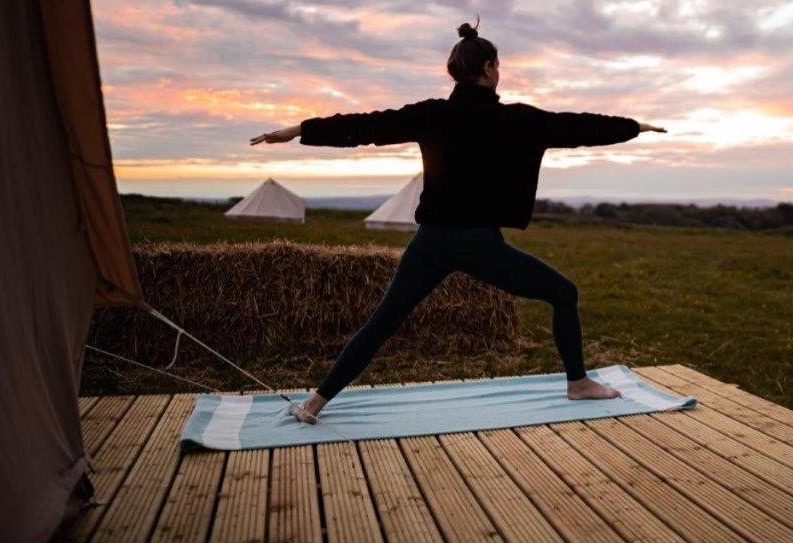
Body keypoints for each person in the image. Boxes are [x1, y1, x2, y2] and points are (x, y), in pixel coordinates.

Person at [250, 21, 666, 423]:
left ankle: (315, 403)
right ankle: (578, 383)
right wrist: (636, 126)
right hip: (478, 244)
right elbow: (580, 127)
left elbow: (367, 124)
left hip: (430, 242)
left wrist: (299, 129)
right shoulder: (518, 119)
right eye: (497, 66)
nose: (499, 72)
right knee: (563, 293)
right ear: (488, 69)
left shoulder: (432, 114)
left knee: (381, 324)